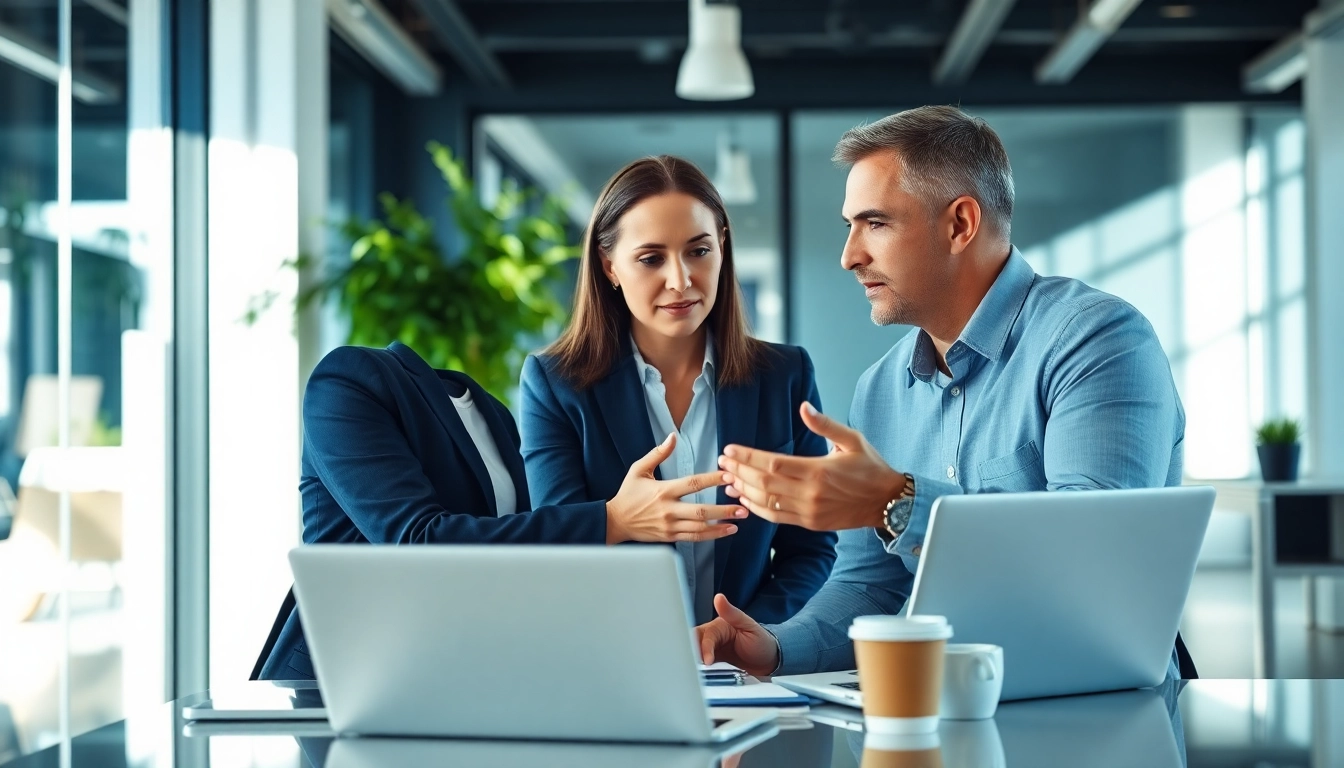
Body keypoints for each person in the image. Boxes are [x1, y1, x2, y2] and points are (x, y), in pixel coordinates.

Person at [695, 105, 1197, 679]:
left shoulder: (1097, 341)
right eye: (849, 226)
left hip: (1096, 714)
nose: (850, 255)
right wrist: (779, 648)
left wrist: (898, 501)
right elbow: (870, 589)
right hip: (942, 713)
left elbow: (1092, 560)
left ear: (960, 224)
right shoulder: (881, 389)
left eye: (875, 223)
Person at [253, 340, 745, 680]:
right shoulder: (347, 382)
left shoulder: (491, 413)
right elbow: (417, 544)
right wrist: (611, 520)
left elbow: (514, 569)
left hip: (447, 683)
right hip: (333, 691)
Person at [520, 156, 837, 625]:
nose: (681, 280)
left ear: (722, 248)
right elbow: (559, 548)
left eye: (698, 251)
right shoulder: (555, 382)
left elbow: (811, 547)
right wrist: (617, 517)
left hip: (747, 669)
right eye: (651, 259)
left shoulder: (783, 375)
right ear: (610, 267)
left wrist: (745, 636)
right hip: (617, 659)